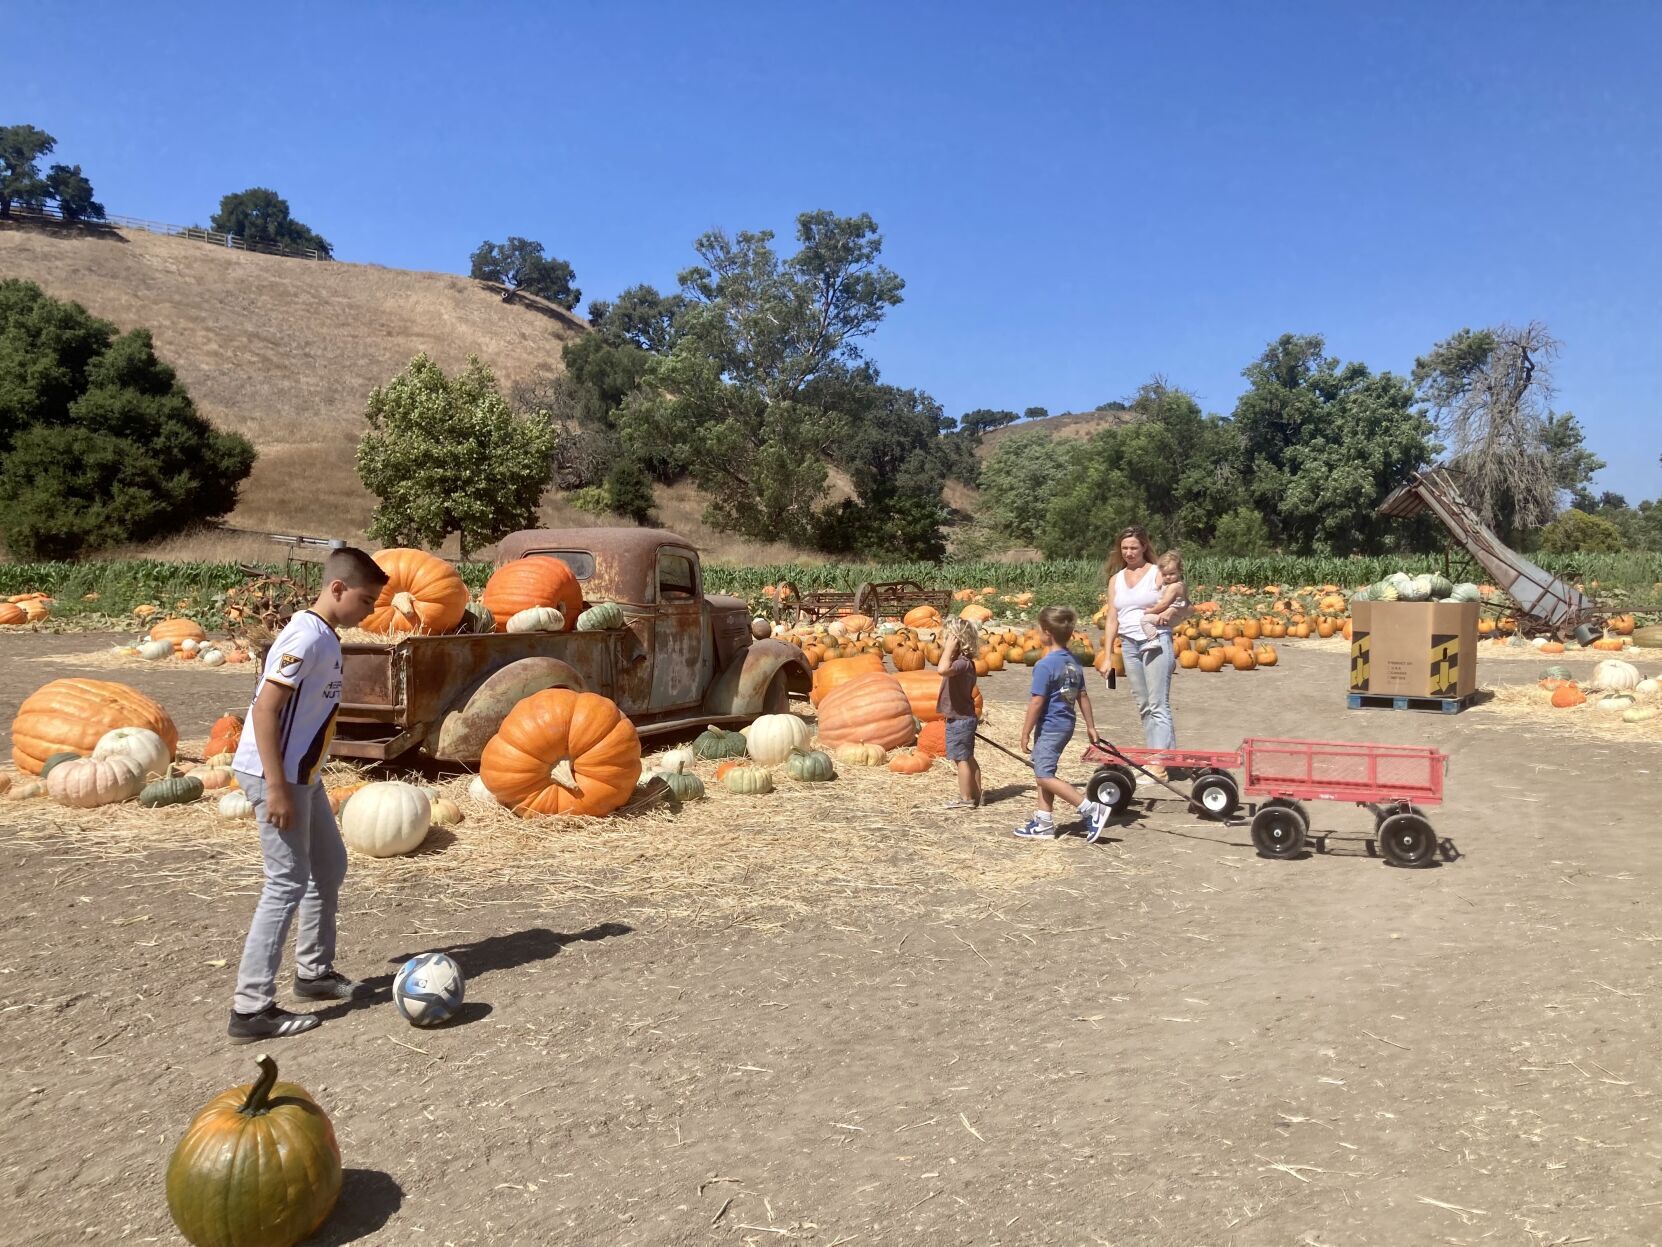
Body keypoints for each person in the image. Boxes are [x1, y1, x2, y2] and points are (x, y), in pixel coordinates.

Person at [228, 547, 387, 1043]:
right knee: (286, 883)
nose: (370, 611)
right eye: (365, 600)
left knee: (329, 866)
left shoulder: (326, 636)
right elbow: (264, 710)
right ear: (337, 589)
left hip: (303, 776)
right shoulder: (304, 636)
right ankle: (251, 1008)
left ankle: (313, 974)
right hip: (279, 777)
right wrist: (276, 787)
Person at [1017, 606, 1111, 842]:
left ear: (1046, 633)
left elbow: (1037, 701)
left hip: (1050, 726)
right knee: (1043, 769)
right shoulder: (1073, 661)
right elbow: (1083, 696)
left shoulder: (1045, 665)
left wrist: (1025, 731)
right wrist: (1091, 726)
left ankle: (1090, 808)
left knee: (1043, 776)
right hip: (1065, 724)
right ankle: (1043, 822)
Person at [1101, 526, 1177, 778]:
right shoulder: (1116, 580)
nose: (1129, 552)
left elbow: (1178, 598)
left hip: (1154, 642)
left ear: (1144, 546)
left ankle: (1159, 764)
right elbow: (1112, 618)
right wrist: (1109, 656)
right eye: (1124, 548)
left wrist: (1167, 614)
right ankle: (1164, 757)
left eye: (1134, 547)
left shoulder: (1157, 573)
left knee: (1158, 703)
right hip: (1129, 644)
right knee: (1144, 705)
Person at [936, 618, 982, 809]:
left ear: (956, 641)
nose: (943, 642)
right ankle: (977, 796)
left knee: (961, 759)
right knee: (968, 757)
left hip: (960, 721)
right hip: (965, 718)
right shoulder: (965, 663)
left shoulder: (961, 664)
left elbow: (942, 669)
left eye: (947, 639)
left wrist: (948, 648)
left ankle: (966, 799)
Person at [1142, 550, 1192, 639]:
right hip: (1173, 616)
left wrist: (1150, 611)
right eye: (1164, 574)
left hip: (1171, 616)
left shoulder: (1174, 587)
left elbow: (1164, 603)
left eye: (1172, 574)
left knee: (1145, 620)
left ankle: (1153, 639)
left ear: (1179, 571)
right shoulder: (1172, 584)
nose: (1168, 577)